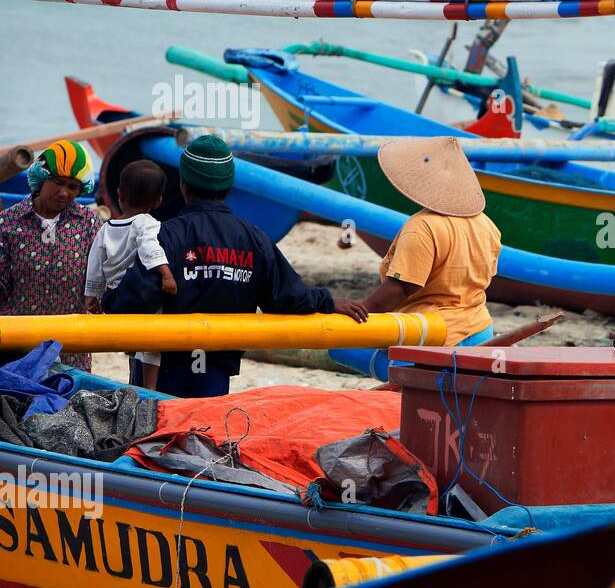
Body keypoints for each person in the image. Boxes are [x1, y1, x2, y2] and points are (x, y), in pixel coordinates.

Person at [103, 135, 368, 397]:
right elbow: (286, 297)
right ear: (229, 188)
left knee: (157, 434)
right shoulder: (254, 238)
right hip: (217, 369)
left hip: (163, 368)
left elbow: (135, 300)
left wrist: (106, 299)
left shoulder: (166, 236)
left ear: (182, 184)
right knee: (208, 431)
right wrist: (328, 301)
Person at [358, 137, 501, 347]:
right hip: (480, 329)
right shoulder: (486, 224)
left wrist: (360, 313)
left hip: (432, 334)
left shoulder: (421, 227)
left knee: (341, 349)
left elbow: (402, 288)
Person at [0, 140, 101, 371]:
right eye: (57, 183)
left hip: (71, 352)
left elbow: (101, 280)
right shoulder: (7, 224)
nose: (64, 193)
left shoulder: (89, 225)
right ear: (40, 178)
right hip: (16, 352)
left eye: (73, 187)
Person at [83, 159, 176, 391]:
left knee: (136, 344)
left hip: (115, 298)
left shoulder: (106, 228)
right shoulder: (146, 224)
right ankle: (150, 387)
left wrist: (92, 295)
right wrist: (166, 274)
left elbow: (95, 262)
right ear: (158, 201)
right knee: (153, 343)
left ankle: (135, 381)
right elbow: (149, 248)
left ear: (119, 193)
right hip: (141, 295)